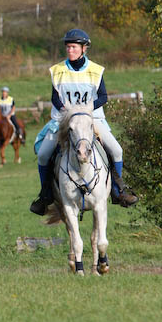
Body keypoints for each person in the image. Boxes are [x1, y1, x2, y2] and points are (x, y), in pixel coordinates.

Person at [29, 28, 138, 215]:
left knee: (117, 150)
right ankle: (45, 195)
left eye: (73, 47)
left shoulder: (96, 70)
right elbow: (55, 98)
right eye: (68, 47)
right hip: (63, 121)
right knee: (43, 155)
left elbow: (103, 97)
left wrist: (85, 110)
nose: (69, 50)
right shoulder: (58, 71)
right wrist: (69, 112)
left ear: (83, 48)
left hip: (92, 120)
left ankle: (118, 191)